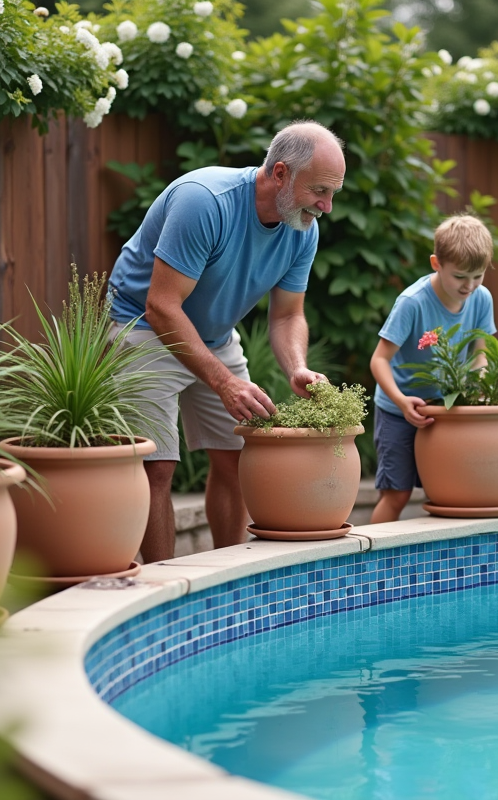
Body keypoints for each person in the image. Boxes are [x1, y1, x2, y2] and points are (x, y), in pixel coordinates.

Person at [107, 120, 346, 563]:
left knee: (238, 460)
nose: (327, 206)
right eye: (319, 191)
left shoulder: (302, 228)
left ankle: (223, 579)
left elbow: (288, 315)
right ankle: (165, 590)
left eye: (333, 193)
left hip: (214, 336)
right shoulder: (206, 202)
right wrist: (223, 382)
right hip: (142, 326)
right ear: (280, 173)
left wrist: (296, 365)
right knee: (155, 467)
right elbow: (161, 306)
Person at [368, 214, 495, 523]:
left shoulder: (481, 298)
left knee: (447, 492)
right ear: (436, 263)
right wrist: (401, 401)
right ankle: (371, 567)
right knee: (397, 495)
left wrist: (477, 386)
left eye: (478, 276)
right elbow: (379, 360)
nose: (469, 286)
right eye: (461, 276)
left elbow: (482, 354)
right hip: (400, 412)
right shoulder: (413, 302)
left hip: (445, 412)